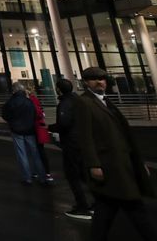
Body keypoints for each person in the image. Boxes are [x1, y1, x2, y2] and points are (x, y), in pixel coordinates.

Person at [76, 66, 157, 241]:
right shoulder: (84, 102)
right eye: (94, 79)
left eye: (103, 79)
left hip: (119, 163)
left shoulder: (104, 101)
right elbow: (85, 136)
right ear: (85, 83)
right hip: (109, 165)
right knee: (133, 208)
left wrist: (138, 162)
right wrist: (93, 164)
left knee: (106, 210)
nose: (100, 82)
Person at [48, 79, 93, 220]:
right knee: (84, 174)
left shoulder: (65, 104)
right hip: (83, 141)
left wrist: (51, 128)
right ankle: (97, 203)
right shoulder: (78, 100)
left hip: (71, 143)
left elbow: (64, 123)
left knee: (73, 175)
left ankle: (82, 207)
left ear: (59, 90)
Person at [1, 82, 47, 185]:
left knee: (22, 154)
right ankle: (42, 176)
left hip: (16, 130)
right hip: (30, 130)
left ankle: (27, 177)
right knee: (35, 154)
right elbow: (35, 114)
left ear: (14, 90)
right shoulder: (29, 102)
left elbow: (5, 115)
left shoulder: (10, 102)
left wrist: (13, 123)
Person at [26, 82, 54, 183]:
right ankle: (45, 172)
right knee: (40, 150)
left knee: (36, 151)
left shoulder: (30, 101)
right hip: (39, 128)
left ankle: (41, 172)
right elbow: (41, 113)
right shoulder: (36, 100)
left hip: (34, 128)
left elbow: (37, 114)